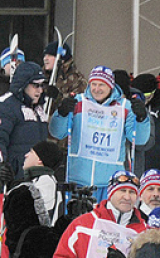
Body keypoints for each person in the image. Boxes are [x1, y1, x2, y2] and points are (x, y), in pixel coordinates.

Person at [51, 64, 152, 202]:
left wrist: (141, 118)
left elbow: (139, 140)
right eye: (94, 84)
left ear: (110, 86)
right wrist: (61, 113)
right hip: (78, 179)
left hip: (109, 182)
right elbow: (57, 133)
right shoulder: (78, 102)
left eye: (101, 85)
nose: (96, 89)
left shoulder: (124, 106)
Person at [0, 60, 50, 200]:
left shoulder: (39, 109)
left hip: (32, 180)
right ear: (23, 84)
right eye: (35, 85)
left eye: (42, 86)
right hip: (8, 180)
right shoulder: (4, 106)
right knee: (5, 221)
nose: (39, 90)